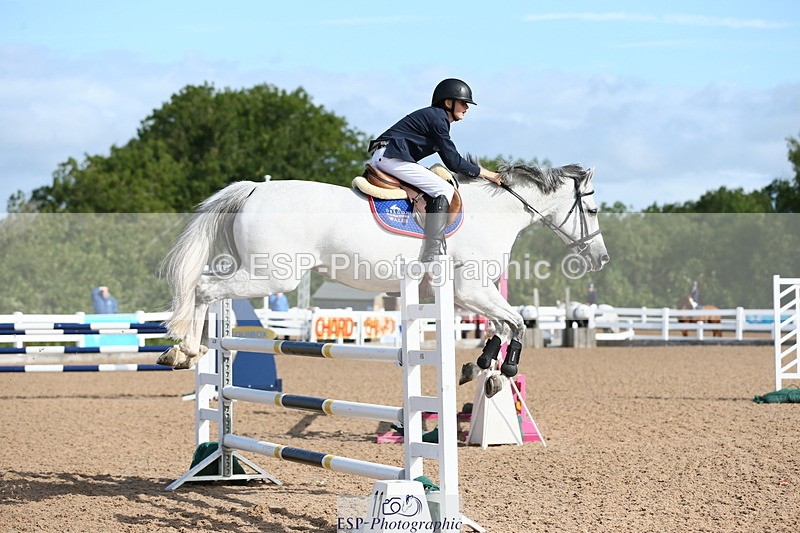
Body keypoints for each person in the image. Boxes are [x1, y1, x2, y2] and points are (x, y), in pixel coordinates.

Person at [368, 78, 503, 262]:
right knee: (444, 189)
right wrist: (489, 175)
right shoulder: (438, 119)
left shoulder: (437, 118)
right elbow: (454, 162)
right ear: (448, 102)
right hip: (391, 156)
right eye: (463, 102)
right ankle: (431, 254)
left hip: (389, 155)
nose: (466, 108)